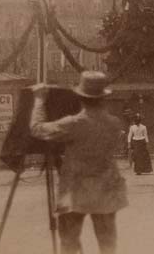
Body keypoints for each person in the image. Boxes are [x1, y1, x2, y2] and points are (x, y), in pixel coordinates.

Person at [30, 71, 127, 254]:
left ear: (81, 98)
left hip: (76, 190)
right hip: (106, 189)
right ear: (103, 98)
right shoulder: (114, 124)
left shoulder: (74, 124)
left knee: (69, 242)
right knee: (107, 244)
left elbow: (37, 129)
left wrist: (39, 101)